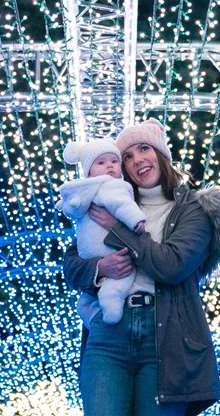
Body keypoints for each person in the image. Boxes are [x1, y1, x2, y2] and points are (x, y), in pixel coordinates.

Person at [61, 119, 220, 416]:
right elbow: (72, 266)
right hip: (108, 334)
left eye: (144, 148)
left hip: (166, 341)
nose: (137, 160)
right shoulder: (110, 201)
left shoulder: (194, 209)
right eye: (127, 157)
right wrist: (100, 267)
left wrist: (119, 230)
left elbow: (172, 265)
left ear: (161, 154)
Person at [56, 138, 150, 323]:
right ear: (88, 172)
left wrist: (130, 221)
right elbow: (71, 268)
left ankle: (102, 308)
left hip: (141, 302)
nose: (110, 167)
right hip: (94, 254)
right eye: (101, 163)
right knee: (108, 289)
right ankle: (99, 312)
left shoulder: (113, 187)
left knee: (117, 282)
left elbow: (121, 205)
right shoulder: (103, 188)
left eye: (114, 162)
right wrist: (99, 268)